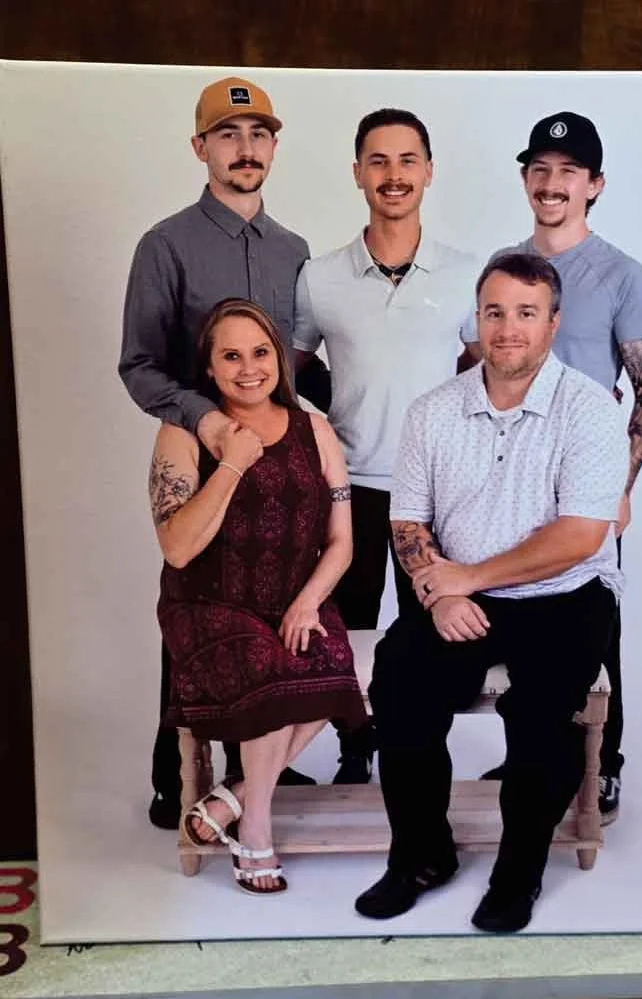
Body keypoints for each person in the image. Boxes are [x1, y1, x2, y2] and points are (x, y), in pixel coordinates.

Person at [353, 253, 628, 932]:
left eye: (526, 313)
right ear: (476, 319)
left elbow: (579, 537)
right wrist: (439, 593)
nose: (508, 328)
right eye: (495, 312)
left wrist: (468, 577)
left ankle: (518, 872)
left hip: (565, 594)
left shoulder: (590, 410)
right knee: (401, 681)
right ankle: (422, 856)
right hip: (459, 593)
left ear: (553, 323)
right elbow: (407, 522)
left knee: (540, 716)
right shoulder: (433, 411)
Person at [119, 76, 332, 828]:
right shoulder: (165, 245)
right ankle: (172, 772)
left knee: (276, 604)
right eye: (228, 135)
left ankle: (260, 765)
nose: (245, 149)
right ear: (200, 147)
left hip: (282, 460)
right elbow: (139, 366)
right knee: (197, 606)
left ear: (273, 146)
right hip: (203, 456)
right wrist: (207, 422)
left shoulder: (295, 251)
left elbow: (294, 362)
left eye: (259, 135)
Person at [480, 112, 642, 823]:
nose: (552, 183)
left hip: (583, 483)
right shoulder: (505, 264)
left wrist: (621, 484)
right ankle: (527, 753)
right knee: (514, 621)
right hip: (505, 482)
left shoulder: (621, 274)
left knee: (595, 631)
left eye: (568, 172)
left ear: (595, 184)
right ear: (525, 178)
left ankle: (603, 765)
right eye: (540, 169)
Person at [152, 297, 367, 893]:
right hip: (209, 604)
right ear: (209, 367)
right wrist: (233, 464)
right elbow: (176, 548)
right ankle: (256, 830)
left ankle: (233, 798)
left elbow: (342, 542)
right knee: (272, 673)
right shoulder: (182, 434)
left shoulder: (314, 429)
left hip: (294, 598)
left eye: (261, 352)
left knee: (335, 667)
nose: (249, 368)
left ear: (280, 357)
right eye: (231, 356)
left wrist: (308, 601)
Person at [292, 108, 482, 782]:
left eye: (407, 160)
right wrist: (331, 420)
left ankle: (417, 750)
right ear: (357, 174)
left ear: (429, 172)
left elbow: (482, 368)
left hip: (437, 490)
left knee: (434, 625)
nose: (393, 175)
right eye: (378, 161)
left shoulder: (465, 272)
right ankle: (355, 748)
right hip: (352, 486)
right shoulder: (319, 277)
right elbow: (289, 368)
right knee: (349, 626)